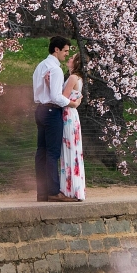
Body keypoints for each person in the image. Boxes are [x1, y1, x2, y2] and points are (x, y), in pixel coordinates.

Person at [33, 36, 82, 203]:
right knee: (52, 153)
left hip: (40, 109)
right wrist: (72, 103)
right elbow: (56, 96)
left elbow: (43, 92)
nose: (66, 54)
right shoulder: (55, 69)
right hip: (51, 111)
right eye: (65, 50)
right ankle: (53, 191)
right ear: (57, 49)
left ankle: (42, 192)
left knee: (41, 152)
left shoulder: (41, 66)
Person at [60, 52, 85, 201]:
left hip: (68, 114)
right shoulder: (78, 78)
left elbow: (63, 97)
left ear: (75, 63)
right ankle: (74, 188)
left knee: (69, 150)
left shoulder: (73, 78)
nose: (69, 59)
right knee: (73, 151)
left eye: (72, 58)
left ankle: (70, 190)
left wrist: (74, 103)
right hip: (73, 114)